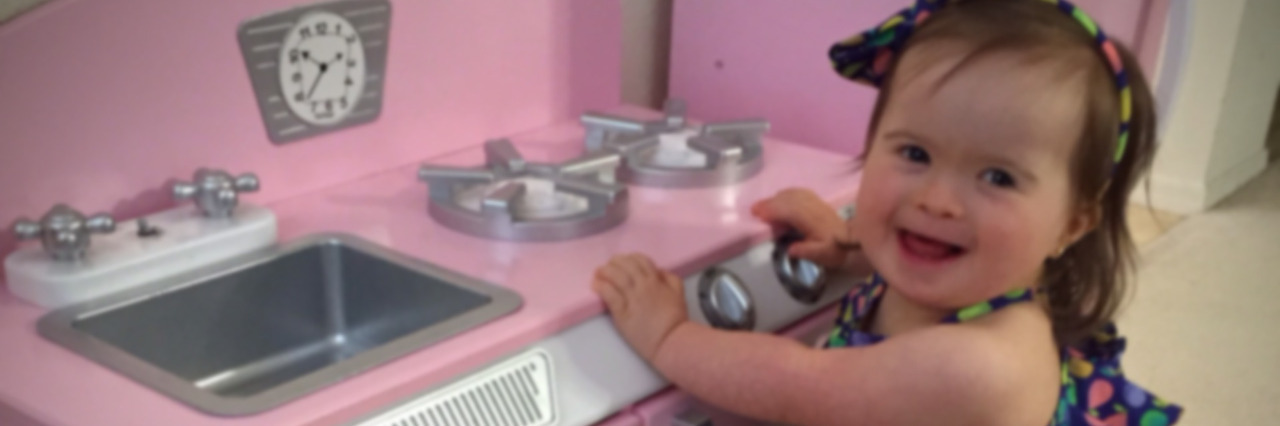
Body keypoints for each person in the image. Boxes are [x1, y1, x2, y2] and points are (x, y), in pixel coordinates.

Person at [590, 0, 1185, 424]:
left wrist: (669, 336)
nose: (936, 201)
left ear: (1073, 224)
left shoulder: (985, 364)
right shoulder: (973, 282)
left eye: (998, 177)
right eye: (915, 153)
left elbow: (797, 387)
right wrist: (850, 246)